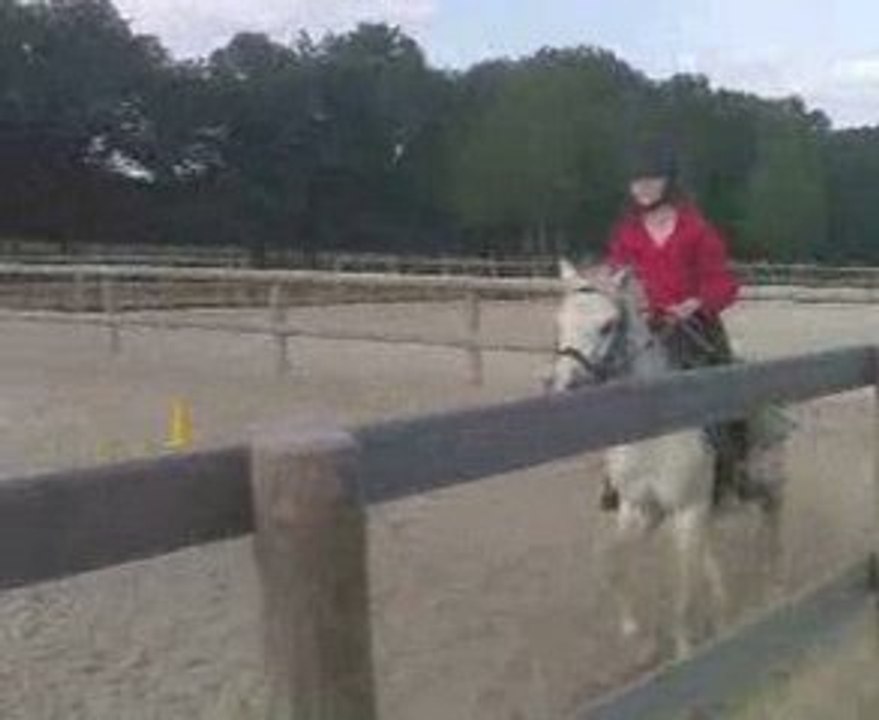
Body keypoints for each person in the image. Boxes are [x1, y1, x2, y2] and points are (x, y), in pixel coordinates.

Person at [601, 138, 749, 508]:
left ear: (668, 182)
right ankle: (614, 478)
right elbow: (617, 276)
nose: (643, 187)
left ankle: (731, 469)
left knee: (725, 389)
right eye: (637, 181)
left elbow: (723, 281)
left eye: (651, 179)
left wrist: (694, 303)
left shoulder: (696, 229)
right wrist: (625, 296)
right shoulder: (627, 233)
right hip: (644, 329)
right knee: (607, 383)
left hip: (694, 328)